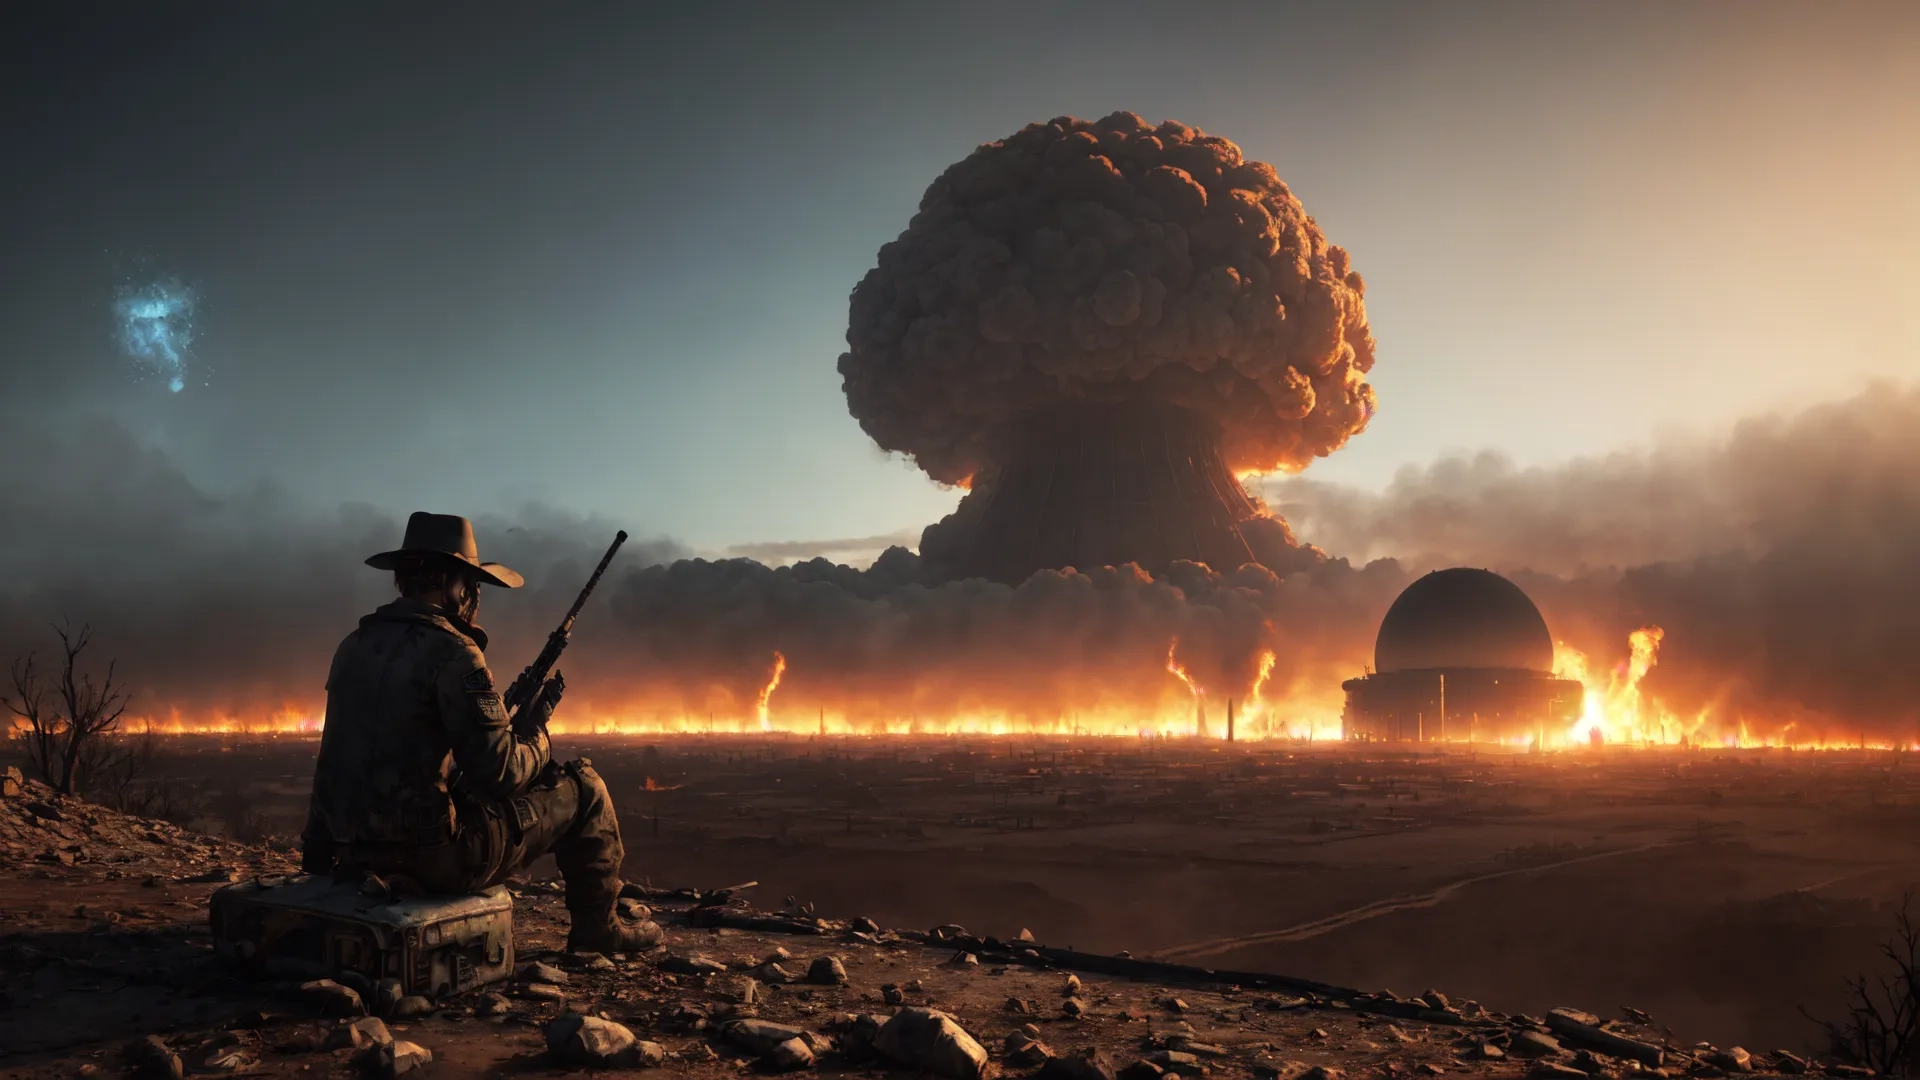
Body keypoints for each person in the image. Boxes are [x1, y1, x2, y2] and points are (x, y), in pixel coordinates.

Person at [300, 511, 659, 953]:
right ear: (449, 581)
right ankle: (599, 930)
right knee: (585, 788)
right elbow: (500, 773)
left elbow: (335, 757)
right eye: (470, 584)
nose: (473, 596)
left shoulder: (351, 647)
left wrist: (319, 856)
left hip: (353, 857)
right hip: (434, 861)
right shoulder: (454, 650)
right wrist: (536, 737)